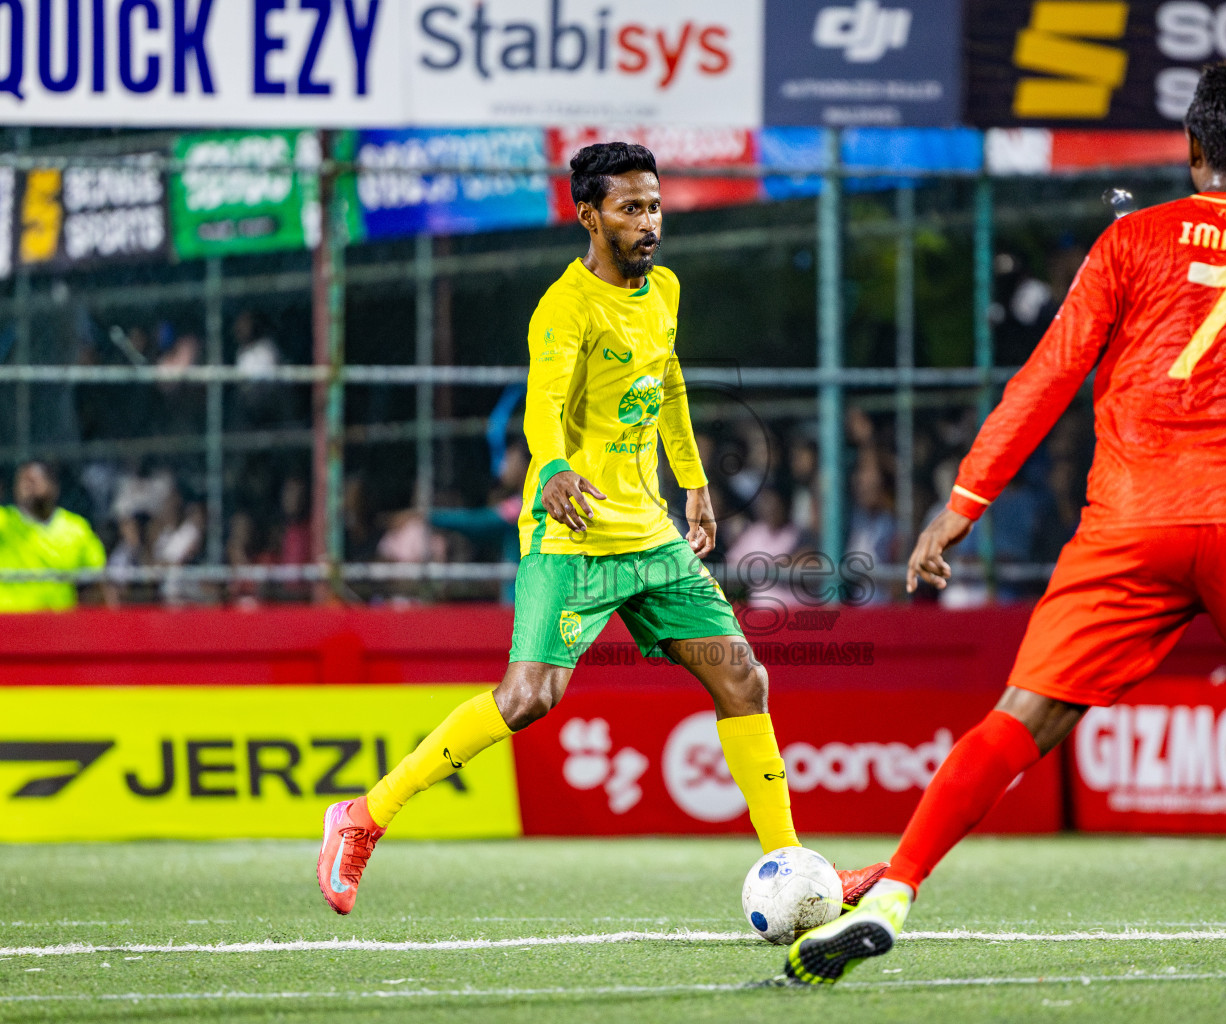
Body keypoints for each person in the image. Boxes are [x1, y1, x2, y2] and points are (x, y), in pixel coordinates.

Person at [785, 59, 1226, 985]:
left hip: (1130, 520)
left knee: (1019, 716)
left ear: (1193, 150)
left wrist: (960, 507)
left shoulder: (1130, 242)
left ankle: (895, 889)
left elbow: (1043, 381)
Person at [317, 141, 886, 914]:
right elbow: (543, 405)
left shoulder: (665, 290)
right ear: (590, 216)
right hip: (573, 532)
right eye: (630, 208)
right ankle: (362, 816)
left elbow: (669, 378)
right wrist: (549, 471)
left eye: (653, 206)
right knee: (527, 698)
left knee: (744, 678)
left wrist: (694, 485)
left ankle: (794, 873)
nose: (649, 222)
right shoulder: (564, 308)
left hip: (649, 533)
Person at [0, 460, 114, 612]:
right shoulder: (4, 521)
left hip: (56, 627)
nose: (26, 486)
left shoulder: (76, 528)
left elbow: (98, 580)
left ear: (53, 487)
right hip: (9, 624)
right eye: (21, 481)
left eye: (32, 480)